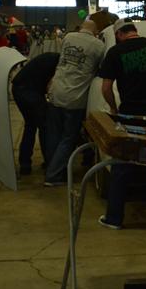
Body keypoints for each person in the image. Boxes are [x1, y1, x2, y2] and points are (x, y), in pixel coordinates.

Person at [98, 18, 146, 229]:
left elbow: (106, 88)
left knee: (122, 165)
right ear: (134, 29)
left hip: (130, 116)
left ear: (118, 34)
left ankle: (114, 219)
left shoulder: (115, 52)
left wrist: (114, 108)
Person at [43, 20, 104, 186]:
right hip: (76, 98)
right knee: (68, 138)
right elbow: (101, 69)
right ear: (96, 32)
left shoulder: (68, 37)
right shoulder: (98, 45)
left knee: (54, 135)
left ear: (81, 28)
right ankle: (53, 175)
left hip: (56, 92)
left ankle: (51, 169)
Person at [11, 51, 61, 175]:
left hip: (18, 89)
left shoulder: (50, 57)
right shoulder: (58, 62)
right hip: (29, 92)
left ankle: (25, 164)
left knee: (30, 126)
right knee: (45, 126)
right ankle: (49, 163)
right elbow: (50, 86)